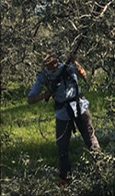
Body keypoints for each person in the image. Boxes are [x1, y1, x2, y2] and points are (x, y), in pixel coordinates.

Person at [28, 52, 100, 186]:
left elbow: (84, 75)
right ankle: (65, 179)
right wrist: (46, 95)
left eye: (52, 58)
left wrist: (75, 61)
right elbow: (30, 99)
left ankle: (101, 168)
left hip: (80, 107)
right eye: (47, 61)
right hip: (62, 113)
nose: (51, 62)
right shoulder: (43, 77)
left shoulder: (68, 67)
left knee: (91, 139)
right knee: (62, 147)